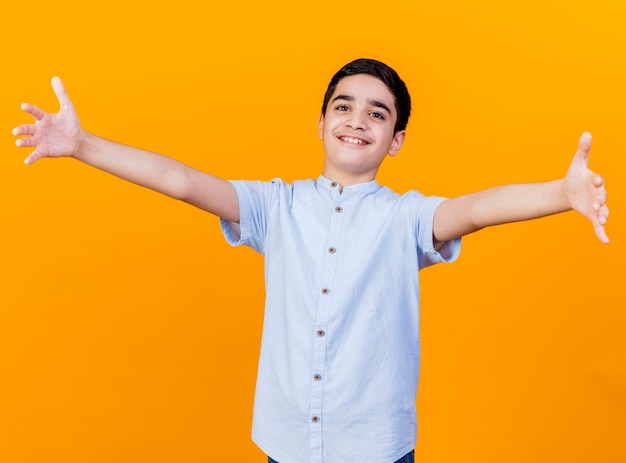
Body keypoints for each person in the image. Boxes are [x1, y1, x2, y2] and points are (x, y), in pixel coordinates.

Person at [12, 58, 609, 463]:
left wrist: (563, 194)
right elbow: (181, 180)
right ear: (321, 123)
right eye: (344, 106)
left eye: (378, 113)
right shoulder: (275, 205)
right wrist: (82, 145)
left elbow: (477, 208)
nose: (357, 120)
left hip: (377, 447)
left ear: (396, 139)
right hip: (288, 441)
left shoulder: (406, 219)